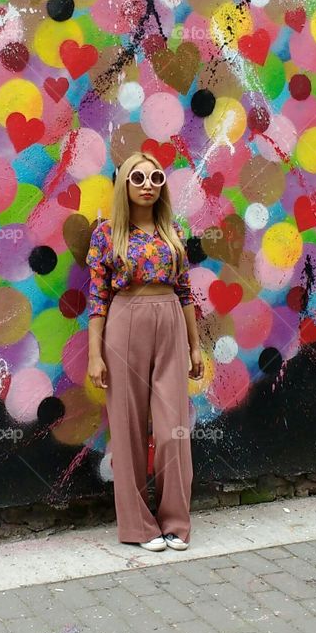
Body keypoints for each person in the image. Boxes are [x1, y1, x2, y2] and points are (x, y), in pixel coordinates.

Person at [86, 151, 203, 552]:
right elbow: (98, 297)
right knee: (128, 427)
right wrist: (94, 354)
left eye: (155, 178)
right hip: (124, 321)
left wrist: (195, 345)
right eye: (138, 178)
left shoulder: (172, 231)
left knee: (173, 429)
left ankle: (175, 523)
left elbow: (186, 291)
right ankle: (138, 527)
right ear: (124, 185)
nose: (148, 185)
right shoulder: (106, 234)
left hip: (170, 317)